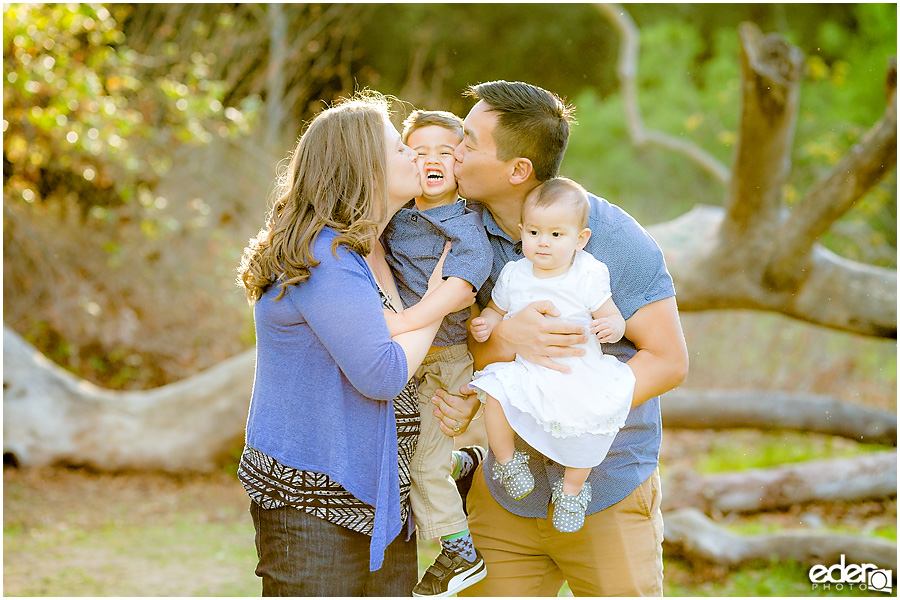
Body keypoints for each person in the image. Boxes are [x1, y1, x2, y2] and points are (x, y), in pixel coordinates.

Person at [436, 80, 690, 596]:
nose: (455, 152)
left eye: (468, 141)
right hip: (509, 495)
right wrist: (509, 334)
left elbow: (668, 360)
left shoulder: (612, 240)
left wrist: (575, 409)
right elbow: (483, 350)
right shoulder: (464, 233)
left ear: (518, 171)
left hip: (605, 490)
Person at [234, 91, 477, 596]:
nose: (415, 155)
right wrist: (439, 301)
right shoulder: (324, 256)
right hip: (315, 506)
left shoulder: (375, 249)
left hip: (381, 498)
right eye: (399, 149)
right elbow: (383, 373)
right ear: (361, 166)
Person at [468, 176, 636, 535]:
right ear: (522, 231)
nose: (543, 243)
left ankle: (572, 489)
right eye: (534, 233)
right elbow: (496, 310)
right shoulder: (515, 274)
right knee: (495, 394)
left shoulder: (587, 274)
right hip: (527, 367)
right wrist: (486, 323)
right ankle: (506, 461)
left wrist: (613, 328)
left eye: (556, 235)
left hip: (574, 369)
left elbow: (610, 314)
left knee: (590, 422)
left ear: (580, 240)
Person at [380, 110, 491, 596]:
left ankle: (460, 551)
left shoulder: (465, 221)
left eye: (444, 152)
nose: (431, 161)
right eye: (418, 151)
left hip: (446, 358)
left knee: (425, 464)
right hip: (408, 357)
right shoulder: (398, 214)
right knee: (410, 458)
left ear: (460, 162)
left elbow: (463, 284)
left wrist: (409, 319)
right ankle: (464, 465)